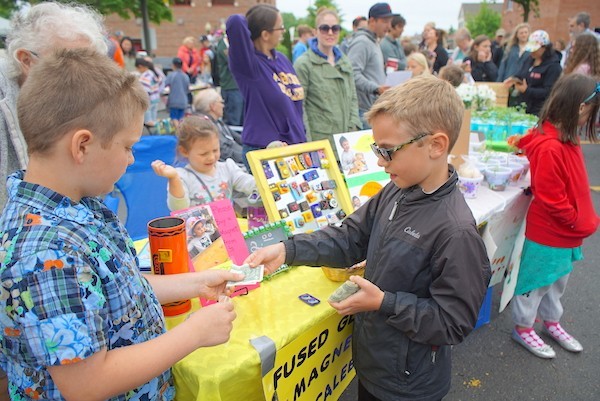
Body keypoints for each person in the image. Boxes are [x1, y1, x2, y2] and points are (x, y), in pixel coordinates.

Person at [0, 48, 241, 401]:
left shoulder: (81, 204)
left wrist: (196, 283)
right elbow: (86, 383)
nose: (131, 160)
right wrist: (193, 333)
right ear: (82, 145)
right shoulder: (45, 251)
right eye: (127, 147)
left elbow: (115, 288)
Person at [244, 75, 491, 400]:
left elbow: (454, 321)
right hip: (376, 362)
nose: (378, 160)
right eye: (377, 149)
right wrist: (287, 250)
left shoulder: (455, 231)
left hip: (409, 384)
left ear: (436, 145)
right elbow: (349, 239)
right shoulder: (396, 191)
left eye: (388, 151)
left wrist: (383, 303)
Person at [509, 73, 599, 359]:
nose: (589, 122)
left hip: (567, 232)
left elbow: (531, 139)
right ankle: (524, 327)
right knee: (536, 282)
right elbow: (550, 198)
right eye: (590, 113)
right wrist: (576, 219)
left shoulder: (561, 138)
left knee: (557, 281)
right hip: (551, 232)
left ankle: (551, 322)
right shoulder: (551, 146)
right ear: (580, 108)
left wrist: (577, 222)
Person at [1, 1, 107, 210]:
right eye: (67, 63)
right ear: (26, 60)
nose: (82, 76)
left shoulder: (75, 104)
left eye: (90, 64)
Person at [226, 4, 306, 169]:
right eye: (280, 27)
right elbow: (235, 22)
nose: (283, 31)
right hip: (263, 148)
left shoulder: (282, 59)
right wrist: (256, 16)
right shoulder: (249, 66)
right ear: (265, 34)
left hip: (295, 147)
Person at [152, 115, 256, 211]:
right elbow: (179, 208)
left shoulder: (228, 168)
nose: (211, 157)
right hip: (199, 230)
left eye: (215, 150)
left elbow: (250, 184)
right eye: (203, 154)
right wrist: (174, 178)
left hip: (227, 229)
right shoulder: (182, 177)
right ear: (184, 151)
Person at [294, 7, 361, 151]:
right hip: (321, 143)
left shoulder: (345, 62)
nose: (330, 32)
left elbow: (353, 98)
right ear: (315, 31)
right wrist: (308, 145)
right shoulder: (304, 64)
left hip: (347, 142)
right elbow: (300, 108)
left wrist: (354, 126)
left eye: (335, 28)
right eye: (324, 28)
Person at [347, 2, 398, 129]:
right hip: (364, 111)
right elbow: (351, 74)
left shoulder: (374, 41)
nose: (388, 26)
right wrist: (376, 88)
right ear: (372, 21)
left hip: (373, 108)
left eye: (390, 21)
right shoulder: (362, 42)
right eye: (385, 21)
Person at [506, 30, 562, 116]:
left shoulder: (553, 67)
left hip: (540, 110)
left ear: (544, 48)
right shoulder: (529, 59)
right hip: (524, 106)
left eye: (535, 49)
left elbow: (548, 92)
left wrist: (527, 90)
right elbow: (522, 73)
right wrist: (514, 79)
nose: (532, 52)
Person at [193, 88, 244, 167]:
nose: (223, 106)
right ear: (213, 106)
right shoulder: (206, 126)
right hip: (234, 164)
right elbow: (224, 151)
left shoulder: (217, 121)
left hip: (239, 157)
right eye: (221, 102)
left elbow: (238, 138)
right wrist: (247, 155)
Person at [215, 34, 244, 126]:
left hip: (238, 86)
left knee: (241, 118)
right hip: (231, 87)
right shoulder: (223, 47)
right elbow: (236, 62)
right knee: (234, 119)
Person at [135, 57, 161, 128]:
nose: (138, 71)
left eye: (137, 69)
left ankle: (153, 124)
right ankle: (156, 124)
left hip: (149, 99)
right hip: (156, 97)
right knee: (154, 114)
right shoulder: (152, 72)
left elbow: (145, 90)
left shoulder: (145, 76)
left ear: (140, 66)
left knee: (148, 117)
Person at [164, 57, 190, 124]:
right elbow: (187, 88)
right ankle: (181, 131)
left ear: (173, 65)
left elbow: (164, 85)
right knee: (181, 118)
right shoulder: (185, 76)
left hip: (174, 101)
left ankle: (178, 132)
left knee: (174, 118)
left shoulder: (171, 75)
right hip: (184, 101)